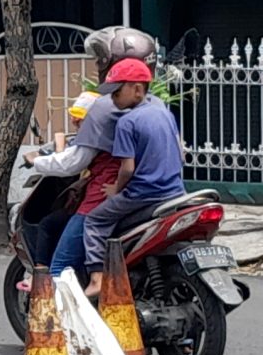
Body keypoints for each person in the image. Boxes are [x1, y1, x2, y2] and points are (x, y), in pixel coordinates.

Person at [22, 25, 156, 276]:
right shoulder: (155, 106)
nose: (98, 67)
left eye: (101, 61)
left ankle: (73, 293)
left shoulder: (104, 108)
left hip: (107, 196)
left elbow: (74, 162)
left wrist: (37, 162)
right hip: (153, 194)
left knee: (59, 265)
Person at [78, 58, 185, 279]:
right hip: (175, 192)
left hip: (142, 194)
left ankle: (97, 277)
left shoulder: (127, 122)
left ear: (137, 89)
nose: (113, 97)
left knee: (94, 221)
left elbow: (127, 168)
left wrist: (115, 190)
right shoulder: (165, 113)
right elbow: (181, 154)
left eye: (117, 91)